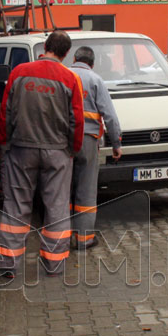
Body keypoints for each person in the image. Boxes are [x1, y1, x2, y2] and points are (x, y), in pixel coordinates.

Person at [0, 30, 84, 278]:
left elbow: (6, 113)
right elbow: (76, 120)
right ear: (66, 53)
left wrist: (5, 142)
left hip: (21, 150)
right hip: (57, 152)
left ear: (45, 46)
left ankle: (8, 264)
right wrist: (72, 149)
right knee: (56, 207)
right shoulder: (70, 78)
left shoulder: (19, 72)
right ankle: (53, 263)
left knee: (16, 205)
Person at [70, 46, 122, 249]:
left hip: (63, 141)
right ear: (92, 63)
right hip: (88, 140)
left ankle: (61, 238)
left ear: (74, 58)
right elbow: (109, 115)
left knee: (62, 190)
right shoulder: (95, 80)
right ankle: (84, 240)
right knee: (86, 189)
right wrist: (116, 143)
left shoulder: (64, 76)